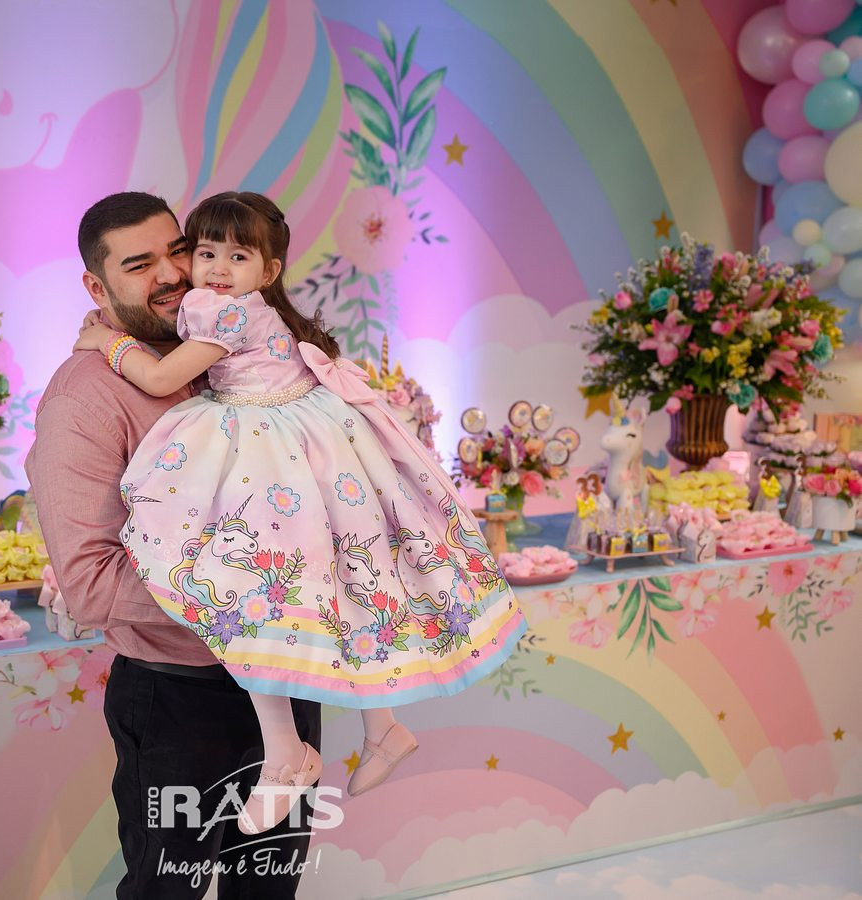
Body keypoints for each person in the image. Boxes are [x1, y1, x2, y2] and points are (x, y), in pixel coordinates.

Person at [74, 191, 527, 834]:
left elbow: (159, 379)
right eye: (205, 253)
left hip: (276, 452)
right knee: (347, 584)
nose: (215, 268)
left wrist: (106, 340)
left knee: (258, 593)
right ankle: (376, 727)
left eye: (237, 256)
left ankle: (291, 752)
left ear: (269, 269)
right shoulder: (240, 309)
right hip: (308, 447)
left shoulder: (227, 314)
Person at [28, 192, 321, 899]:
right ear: (96, 286)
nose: (170, 273)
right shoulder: (85, 399)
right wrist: (248, 599)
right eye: (139, 265)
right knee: (169, 892)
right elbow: (91, 584)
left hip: (285, 676)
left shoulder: (227, 352)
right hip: (180, 700)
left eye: (178, 251)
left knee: (270, 887)